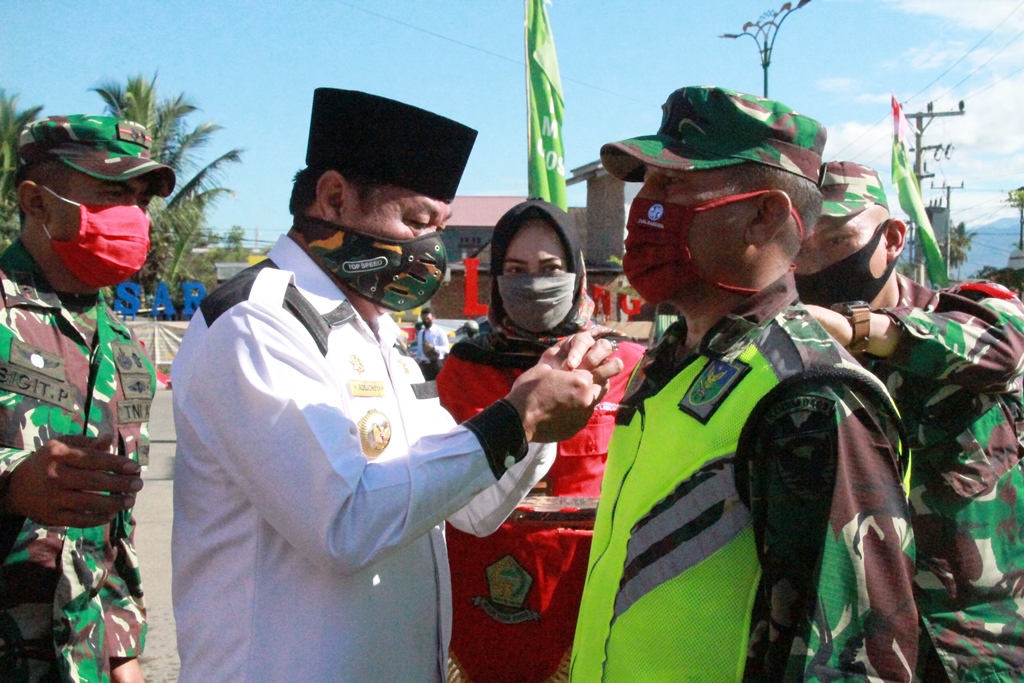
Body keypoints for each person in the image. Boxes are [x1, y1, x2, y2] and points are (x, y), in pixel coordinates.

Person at [170, 88, 621, 683]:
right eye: (415, 221)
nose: (429, 248)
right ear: (333, 198)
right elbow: (346, 523)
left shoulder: (376, 333)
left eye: (440, 227)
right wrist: (516, 418)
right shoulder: (258, 323)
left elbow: (473, 508)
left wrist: (539, 426)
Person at [570, 86, 921, 681]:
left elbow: (855, 663)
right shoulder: (667, 360)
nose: (644, 207)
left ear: (766, 215)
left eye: (672, 184)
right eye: (645, 184)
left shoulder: (810, 393)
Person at [795, 161, 1024, 682]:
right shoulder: (797, 351)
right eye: (800, 244)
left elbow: (1003, 349)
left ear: (892, 238)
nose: (812, 260)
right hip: (857, 652)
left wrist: (859, 329)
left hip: (975, 646)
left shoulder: (970, 316)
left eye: (834, 236)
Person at [437, 199, 645, 682]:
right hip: (478, 589)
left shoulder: (626, 366)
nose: (533, 282)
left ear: (576, 274)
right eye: (516, 269)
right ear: (495, 279)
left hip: (588, 592)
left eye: (550, 268)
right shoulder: (462, 368)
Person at [0, 115, 174, 683]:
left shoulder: (126, 351)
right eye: (110, 193)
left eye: (139, 198)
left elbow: (110, 542)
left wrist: (125, 664)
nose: (133, 216)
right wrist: (12, 486)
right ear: (36, 201)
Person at [415, 306, 450, 379]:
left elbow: (447, 349)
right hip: (424, 365)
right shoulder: (421, 333)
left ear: (433, 318)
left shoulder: (440, 332)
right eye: (423, 319)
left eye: (428, 319)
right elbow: (420, 351)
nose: (426, 321)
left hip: (435, 364)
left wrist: (434, 348)